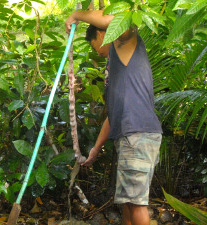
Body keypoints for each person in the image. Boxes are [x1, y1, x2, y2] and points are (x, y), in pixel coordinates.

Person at [67, 9, 163, 225]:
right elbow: (113, 115)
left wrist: (77, 15)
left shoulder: (124, 44)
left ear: (101, 35)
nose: (98, 53)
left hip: (138, 133)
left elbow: (120, 21)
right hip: (130, 135)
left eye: (94, 47)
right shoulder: (116, 66)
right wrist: (95, 149)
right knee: (128, 202)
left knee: (136, 203)